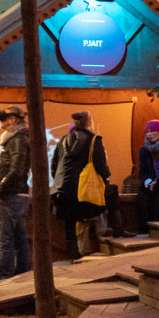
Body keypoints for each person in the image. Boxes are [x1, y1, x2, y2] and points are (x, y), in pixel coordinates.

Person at [50, 112, 111, 263]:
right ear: (89, 123)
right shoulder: (93, 140)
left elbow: (54, 165)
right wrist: (106, 177)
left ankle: (74, 255)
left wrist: (60, 182)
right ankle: (99, 250)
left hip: (62, 189)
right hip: (82, 189)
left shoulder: (63, 140)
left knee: (69, 223)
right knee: (92, 213)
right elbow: (100, 163)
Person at [0, 105, 31, 280]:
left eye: (3, 119)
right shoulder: (22, 137)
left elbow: (16, 170)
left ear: (12, 120)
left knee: (4, 242)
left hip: (9, 197)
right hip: (19, 194)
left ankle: (1, 281)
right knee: (20, 240)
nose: (0, 122)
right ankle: (23, 277)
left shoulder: (16, 138)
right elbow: (16, 169)